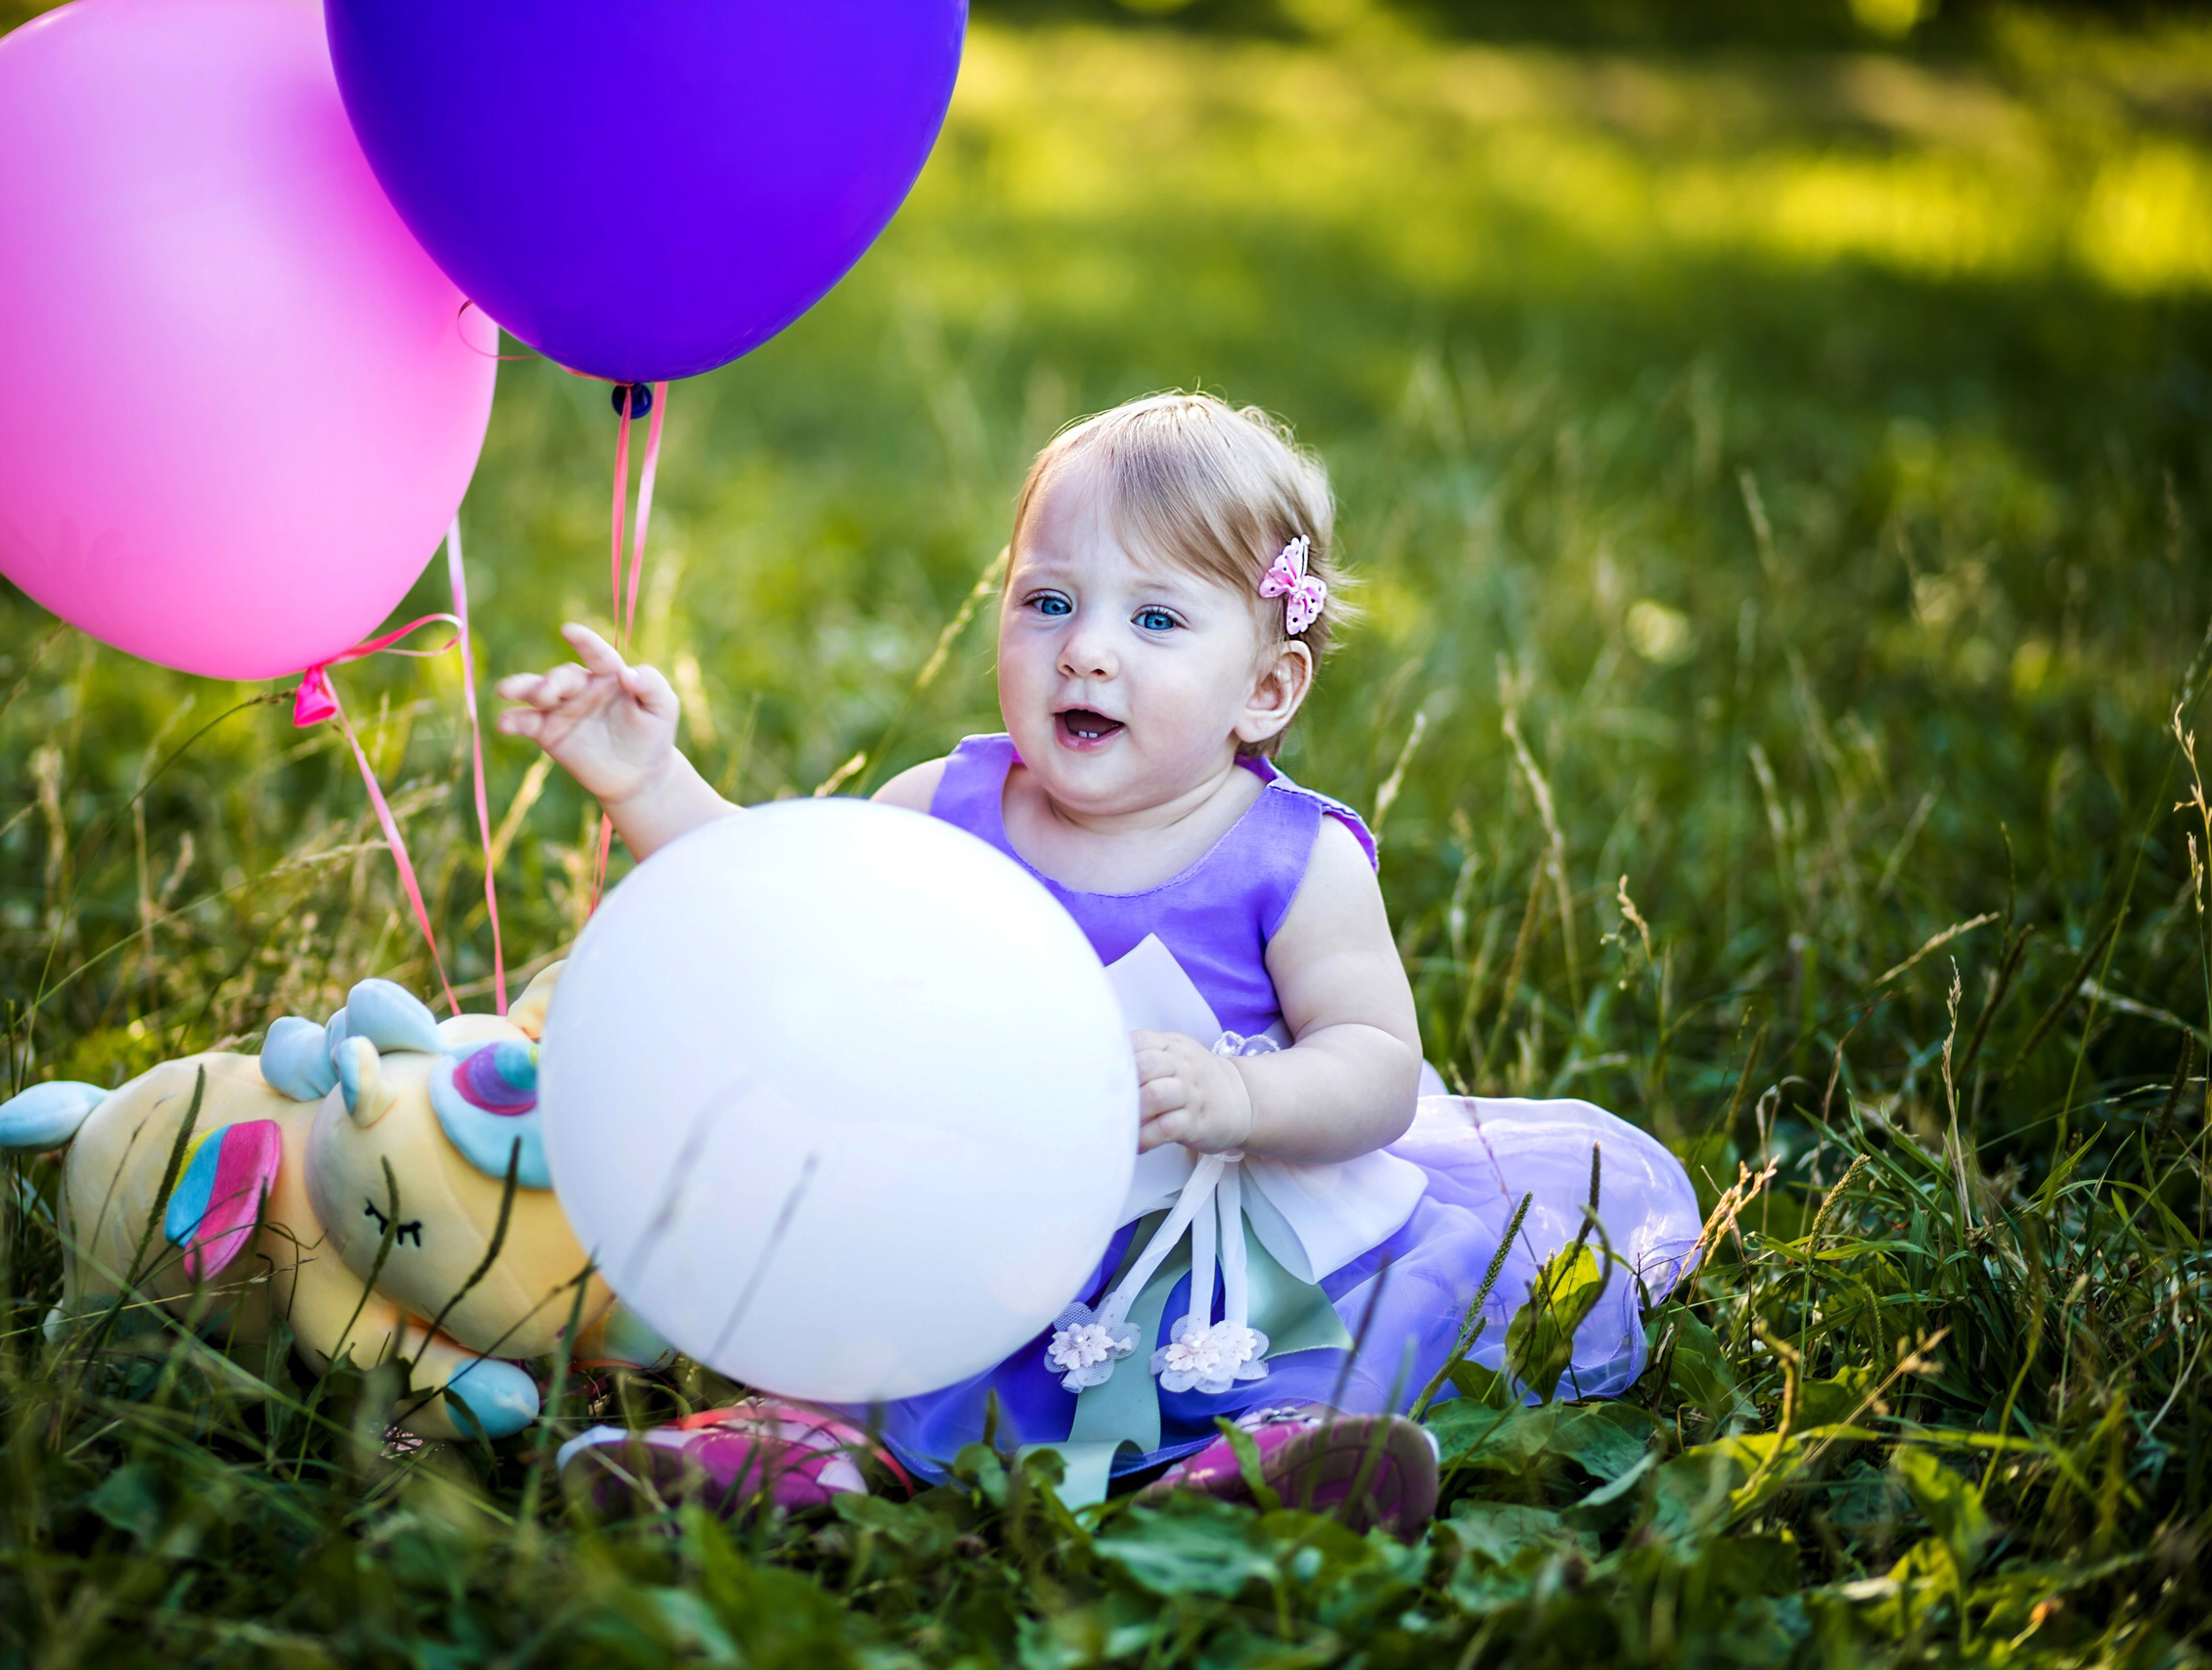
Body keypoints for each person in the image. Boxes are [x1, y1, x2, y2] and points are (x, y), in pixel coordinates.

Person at [498, 392, 1700, 1531]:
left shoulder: (1291, 860)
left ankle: (1270, 1461)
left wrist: (1243, 1097)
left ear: (1266, 687)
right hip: (970, 1212)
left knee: (1313, 1341)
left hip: (1214, 1234)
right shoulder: (951, 805)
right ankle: (797, 1447)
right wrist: (651, 782)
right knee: (879, 1328)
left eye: (1156, 619)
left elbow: (1379, 1066)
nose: (1086, 652)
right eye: (1048, 602)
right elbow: (780, 902)